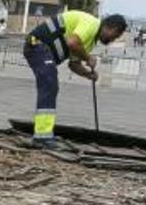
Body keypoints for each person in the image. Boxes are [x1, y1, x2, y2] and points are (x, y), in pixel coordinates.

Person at [23, 10, 127, 148]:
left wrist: (87, 74)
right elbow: (72, 42)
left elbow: (74, 64)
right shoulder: (91, 24)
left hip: (43, 51)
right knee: (49, 85)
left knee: (50, 86)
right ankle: (42, 136)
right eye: (115, 36)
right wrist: (88, 57)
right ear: (111, 28)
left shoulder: (90, 41)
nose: (112, 40)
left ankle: (43, 134)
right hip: (37, 45)